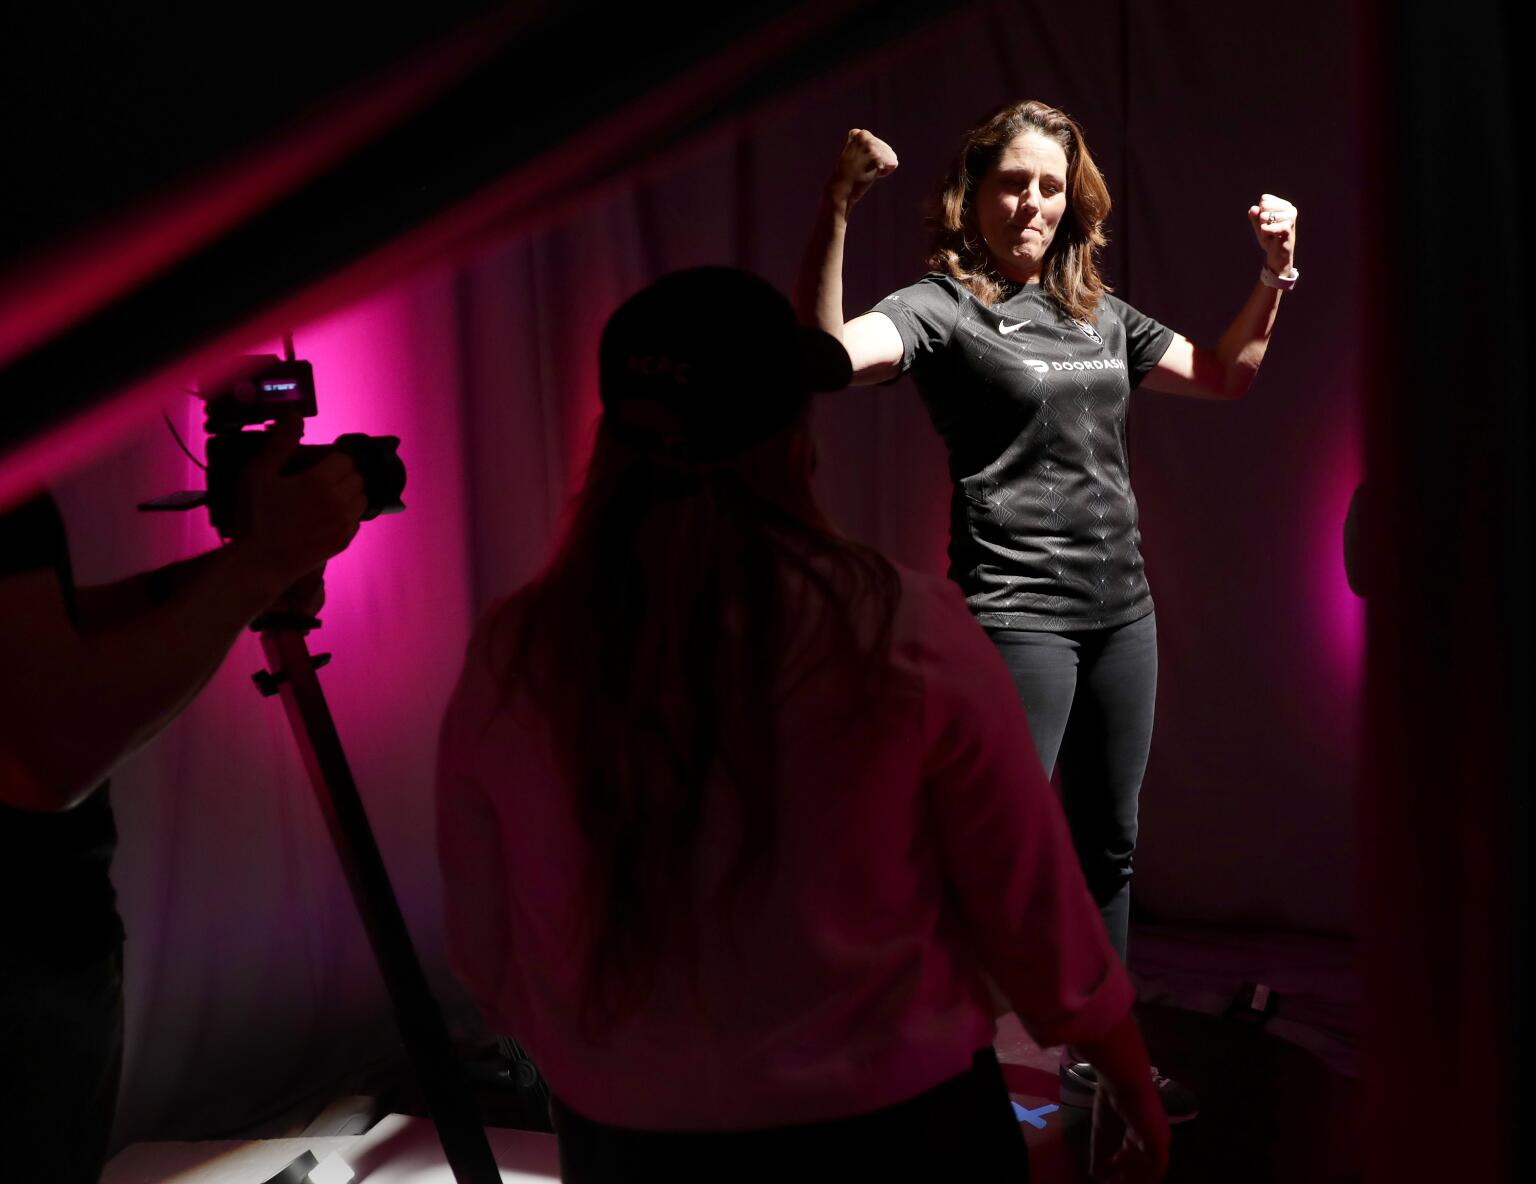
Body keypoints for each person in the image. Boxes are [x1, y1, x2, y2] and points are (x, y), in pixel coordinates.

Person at [434, 266, 1171, 1183]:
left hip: (625, 1139)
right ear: (794, 435)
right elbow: (1035, 916)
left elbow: (484, 941)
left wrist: (618, 1065)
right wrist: (1124, 1068)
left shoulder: (515, 653)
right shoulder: (905, 630)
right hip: (898, 1133)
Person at [797, 100, 1299, 1117]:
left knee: (1106, 844)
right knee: (987, 854)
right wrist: (837, 209)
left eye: (1049, 187)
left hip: (1121, 612)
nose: (1030, 202)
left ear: (1073, 204)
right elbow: (821, 360)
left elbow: (1225, 375)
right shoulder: (941, 309)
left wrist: (1273, 272)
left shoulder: (1101, 316)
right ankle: (935, 1068)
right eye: (1011, 183)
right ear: (973, 194)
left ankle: (1096, 1061)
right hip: (1015, 612)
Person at [0, 423, 366, 1183]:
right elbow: (45, 761)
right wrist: (258, 567)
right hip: (20, 962)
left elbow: (39, 639)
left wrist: (226, 573)